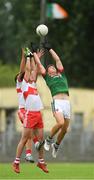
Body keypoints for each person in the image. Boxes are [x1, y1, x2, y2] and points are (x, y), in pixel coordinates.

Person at [12, 46, 49, 173]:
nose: (22, 74)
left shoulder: (32, 83)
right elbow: (27, 69)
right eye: (21, 75)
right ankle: (16, 162)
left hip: (38, 114)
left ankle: (41, 162)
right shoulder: (22, 84)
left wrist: (36, 58)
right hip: (28, 113)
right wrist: (27, 57)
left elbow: (34, 70)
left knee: (41, 140)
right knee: (24, 138)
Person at [34, 42, 71, 158]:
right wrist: (34, 54)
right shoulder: (47, 77)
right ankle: (49, 140)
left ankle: (56, 145)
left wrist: (50, 49)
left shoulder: (61, 74)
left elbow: (58, 59)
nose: (52, 67)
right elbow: (39, 64)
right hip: (58, 102)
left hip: (66, 103)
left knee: (65, 130)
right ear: (48, 71)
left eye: (53, 66)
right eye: (50, 67)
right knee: (60, 123)